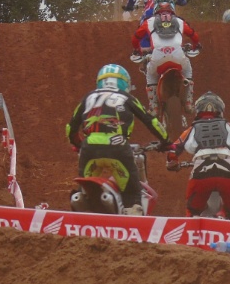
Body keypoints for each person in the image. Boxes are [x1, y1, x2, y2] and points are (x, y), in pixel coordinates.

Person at [66, 64, 170, 215]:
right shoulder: (127, 97)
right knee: (132, 194)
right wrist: (165, 141)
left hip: (90, 148)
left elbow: (71, 128)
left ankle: (81, 205)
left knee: (84, 191)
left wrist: (78, 144)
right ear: (124, 83)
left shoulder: (89, 97)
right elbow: (151, 121)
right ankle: (132, 218)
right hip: (118, 147)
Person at [165, 92, 230, 221]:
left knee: (193, 211)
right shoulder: (229, 127)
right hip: (227, 169)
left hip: (201, 170)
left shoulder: (191, 130)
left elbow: (173, 150)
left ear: (198, 111)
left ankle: (191, 238)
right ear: (221, 110)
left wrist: (173, 163)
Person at [132, 0, 201, 117]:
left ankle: (153, 108)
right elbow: (194, 36)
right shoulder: (180, 21)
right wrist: (196, 45)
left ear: (155, 8)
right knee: (188, 69)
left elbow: (135, 38)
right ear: (172, 7)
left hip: (158, 57)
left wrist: (138, 50)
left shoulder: (148, 22)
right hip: (178, 57)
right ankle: (189, 103)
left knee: (150, 75)